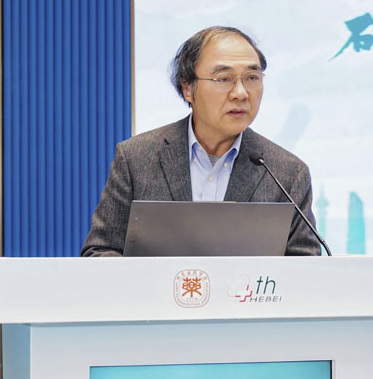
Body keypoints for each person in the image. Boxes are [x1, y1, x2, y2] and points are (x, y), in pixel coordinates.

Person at [81, 26, 320, 256]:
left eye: (252, 77)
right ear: (187, 88)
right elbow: (100, 251)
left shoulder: (287, 173)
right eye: (224, 79)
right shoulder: (137, 159)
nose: (241, 93)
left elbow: (305, 268)